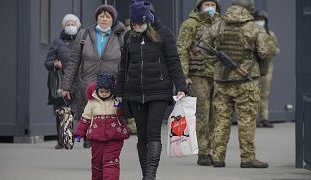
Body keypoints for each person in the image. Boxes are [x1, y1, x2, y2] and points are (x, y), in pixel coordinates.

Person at [116, 1, 188, 179]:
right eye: (133, 23)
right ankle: (145, 174)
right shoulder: (129, 37)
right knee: (142, 136)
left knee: (153, 133)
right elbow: (123, 67)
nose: (136, 26)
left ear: (147, 19)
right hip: (134, 92)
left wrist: (181, 86)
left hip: (158, 92)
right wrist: (119, 92)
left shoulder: (164, 34)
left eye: (139, 23)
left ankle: (150, 175)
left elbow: (173, 62)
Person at [201, 0, 277, 168]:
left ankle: (218, 157)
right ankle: (247, 158)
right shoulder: (254, 28)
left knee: (221, 120)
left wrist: (215, 61)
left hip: (222, 81)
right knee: (247, 120)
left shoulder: (219, 24)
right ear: (249, 9)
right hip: (246, 82)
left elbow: (204, 43)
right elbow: (265, 53)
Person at [61, 5, 125, 148]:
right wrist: (66, 86)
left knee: (108, 117)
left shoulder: (121, 36)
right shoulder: (84, 35)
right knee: (90, 114)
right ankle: (90, 139)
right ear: (96, 17)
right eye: (101, 16)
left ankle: (104, 147)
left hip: (111, 85)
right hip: (87, 84)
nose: (104, 19)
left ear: (113, 20)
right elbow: (73, 62)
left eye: (108, 16)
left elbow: (127, 62)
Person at [177, 0, 222, 166]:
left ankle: (216, 151)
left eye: (213, 4)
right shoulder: (191, 24)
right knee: (203, 113)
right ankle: (203, 152)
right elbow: (181, 49)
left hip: (219, 75)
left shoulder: (222, 23)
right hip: (198, 74)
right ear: (199, 6)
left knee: (218, 114)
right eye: (206, 4)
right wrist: (184, 75)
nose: (210, 8)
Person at [75, 73, 128, 180]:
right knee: (97, 162)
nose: (104, 94)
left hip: (114, 137)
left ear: (112, 91)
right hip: (96, 138)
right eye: (101, 91)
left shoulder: (116, 101)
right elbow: (85, 119)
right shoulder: (91, 103)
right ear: (97, 90)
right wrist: (79, 134)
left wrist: (120, 102)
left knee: (111, 162)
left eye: (107, 92)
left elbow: (122, 113)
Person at [44, 14, 81, 149]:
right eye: (67, 24)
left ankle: (88, 138)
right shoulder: (57, 42)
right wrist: (54, 64)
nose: (70, 26)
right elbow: (47, 62)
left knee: (84, 110)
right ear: (63, 26)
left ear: (78, 26)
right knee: (63, 110)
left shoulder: (83, 40)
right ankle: (63, 139)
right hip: (63, 81)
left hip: (80, 80)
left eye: (73, 23)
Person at [254, 10, 280, 128]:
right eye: (258, 18)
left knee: (264, 94)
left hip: (267, 68)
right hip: (253, 68)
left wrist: (271, 50)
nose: (260, 21)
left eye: (262, 19)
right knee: (253, 94)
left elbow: (277, 50)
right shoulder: (251, 32)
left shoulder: (270, 34)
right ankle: (254, 119)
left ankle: (264, 118)